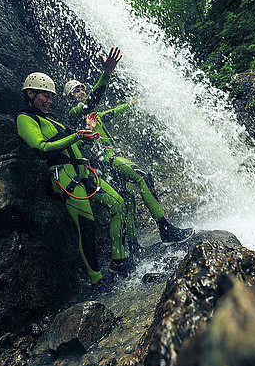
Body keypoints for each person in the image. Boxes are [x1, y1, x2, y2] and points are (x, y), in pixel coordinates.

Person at [64, 48, 194, 246]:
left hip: (108, 158)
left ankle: (133, 247)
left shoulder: (93, 115)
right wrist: (106, 75)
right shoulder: (75, 114)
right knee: (143, 176)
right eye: (76, 91)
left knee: (128, 199)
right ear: (70, 98)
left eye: (82, 89)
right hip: (103, 160)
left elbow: (112, 112)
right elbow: (91, 102)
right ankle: (165, 230)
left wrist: (133, 103)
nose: (81, 92)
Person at [15, 70, 130, 293]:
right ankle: (97, 281)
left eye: (51, 97)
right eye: (45, 96)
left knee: (118, 205)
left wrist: (87, 133)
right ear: (30, 93)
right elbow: (41, 148)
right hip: (64, 178)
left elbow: (72, 146)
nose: (49, 101)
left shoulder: (49, 119)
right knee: (86, 226)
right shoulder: (24, 117)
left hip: (83, 172)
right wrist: (77, 136)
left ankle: (118, 261)